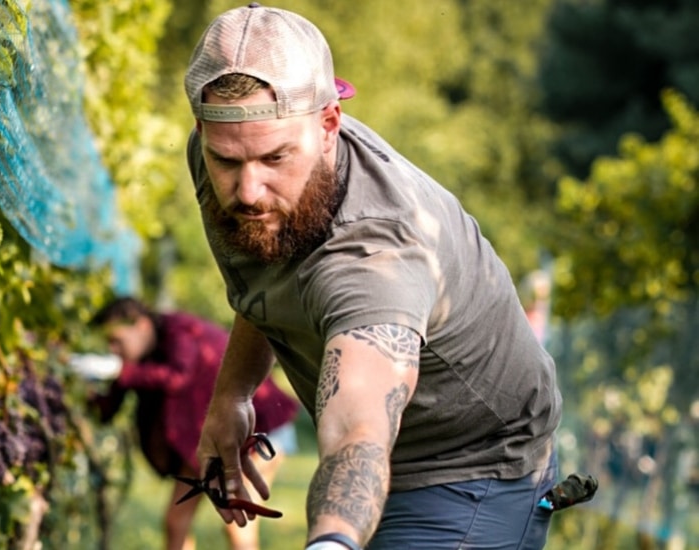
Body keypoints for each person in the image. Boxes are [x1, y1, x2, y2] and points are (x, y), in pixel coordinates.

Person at [181, 4, 563, 550]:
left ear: (329, 123)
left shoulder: (376, 251)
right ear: (203, 130)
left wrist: (331, 543)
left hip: (471, 468)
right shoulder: (222, 154)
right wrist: (232, 397)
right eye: (228, 161)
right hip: (396, 456)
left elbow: (359, 428)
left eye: (275, 157)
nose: (248, 190)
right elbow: (264, 281)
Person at [89, 296, 299, 550]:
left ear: (142, 325)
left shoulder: (180, 333)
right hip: (210, 440)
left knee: (238, 522)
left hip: (258, 431)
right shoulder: (141, 357)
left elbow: (178, 376)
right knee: (176, 521)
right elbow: (111, 402)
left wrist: (120, 373)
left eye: (117, 341)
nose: (112, 349)